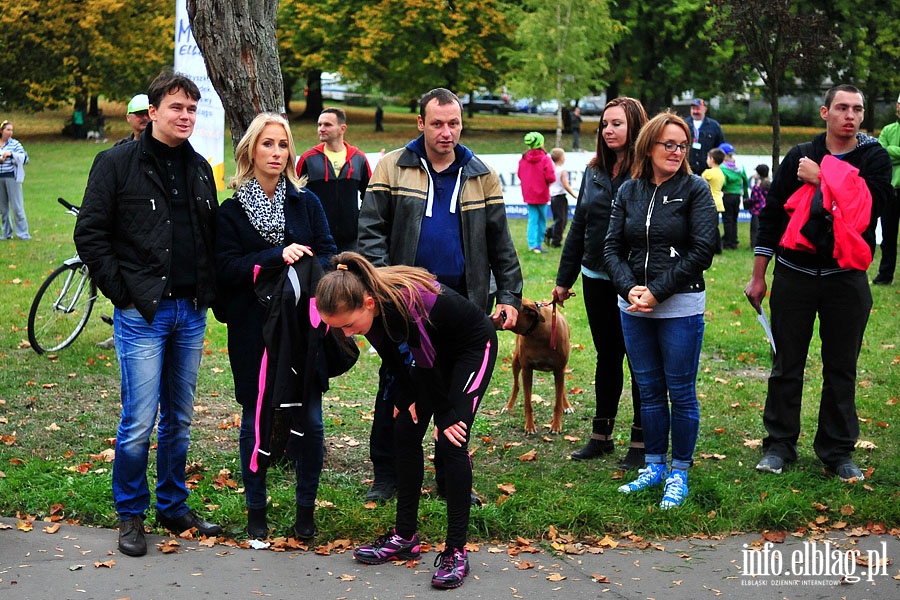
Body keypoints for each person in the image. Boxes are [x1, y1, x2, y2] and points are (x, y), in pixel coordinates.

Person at [73, 70, 222, 557]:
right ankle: (131, 515)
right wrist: (123, 294)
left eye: (192, 109)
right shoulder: (116, 163)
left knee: (178, 418)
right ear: (152, 111)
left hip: (190, 312)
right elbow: (91, 234)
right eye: (176, 107)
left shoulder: (200, 168)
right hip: (142, 313)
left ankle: (173, 505)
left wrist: (207, 291)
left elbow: (208, 238)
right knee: (139, 419)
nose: (185, 116)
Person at [357, 87, 522, 503]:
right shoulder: (392, 167)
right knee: (397, 383)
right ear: (421, 124)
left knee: (456, 390)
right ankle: (388, 474)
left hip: (462, 304)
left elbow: (500, 241)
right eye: (437, 124)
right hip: (404, 303)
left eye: (454, 124)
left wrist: (509, 295)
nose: (446, 132)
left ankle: (451, 478)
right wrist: (384, 283)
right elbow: (371, 233)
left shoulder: (481, 174)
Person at [316, 251, 498, 590]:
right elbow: (392, 356)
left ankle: (456, 550)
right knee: (404, 429)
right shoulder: (367, 307)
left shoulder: (406, 301)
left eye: (347, 325)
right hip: (433, 355)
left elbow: (427, 360)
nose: (346, 334)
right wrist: (406, 397)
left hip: (472, 347)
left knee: (451, 439)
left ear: (368, 303)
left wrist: (444, 414)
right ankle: (405, 536)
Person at [745, 84, 892, 482]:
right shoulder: (799, 156)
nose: (851, 115)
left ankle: (838, 451)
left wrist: (822, 176)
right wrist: (759, 276)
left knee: (841, 367)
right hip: (795, 274)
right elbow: (772, 216)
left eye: (857, 109)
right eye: (842, 107)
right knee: (786, 365)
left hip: (846, 277)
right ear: (825, 112)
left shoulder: (874, 159)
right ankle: (779, 445)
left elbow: (869, 208)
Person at [216, 113, 336, 540]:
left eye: (282, 145)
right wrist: (275, 256)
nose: (276, 152)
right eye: (267, 144)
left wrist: (306, 267)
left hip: (305, 331)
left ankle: (305, 513)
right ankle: (256, 514)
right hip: (254, 334)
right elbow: (225, 270)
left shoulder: (307, 202)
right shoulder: (231, 212)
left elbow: (328, 253)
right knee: (255, 422)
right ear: (251, 150)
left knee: (313, 421)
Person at [604, 111, 717, 509]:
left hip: (680, 305)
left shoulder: (696, 190)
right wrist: (629, 288)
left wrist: (656, 292)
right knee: (649, 391)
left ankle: (679, 471)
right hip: (632, 305)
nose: (676, 151)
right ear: (649, 146)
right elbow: (611, 248)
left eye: (682, 145)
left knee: (680, 392)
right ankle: (653, 466)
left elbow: (702, 250)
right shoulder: (628, 191)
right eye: (668, 144)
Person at [552, 97, 648, 469]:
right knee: (608, 357)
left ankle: (642, 440)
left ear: (635, 128)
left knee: (640, 361)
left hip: (635, 282)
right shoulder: (594, 171)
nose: (608, 130)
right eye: (604, 124)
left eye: (617, 124)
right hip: (595, 277)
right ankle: (601, 435)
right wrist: (565, 278)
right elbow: (579, 226)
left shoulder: (645, 173)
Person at [297, 107, 371, 253]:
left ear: (342, 128)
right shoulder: (308, 159)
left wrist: (359, 223)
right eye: (319, 125)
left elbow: (370, 197)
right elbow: (295, 196)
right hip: (317, 240)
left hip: (351, 241)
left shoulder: (359, 159)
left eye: (327, 125)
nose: (321, 129)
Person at [873, 93, 900, 285]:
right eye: (898, 104)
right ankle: (885, 276)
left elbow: (888, 150)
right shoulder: (888, 129)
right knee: (888, 237)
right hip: (891, 191)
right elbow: (881, 153)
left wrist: (892, 150)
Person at [518, 131, 556, 253]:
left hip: (528, 193)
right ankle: (538, 244)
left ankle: (532, 244)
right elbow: (551, 177)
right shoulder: (545, 159)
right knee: (541, 219)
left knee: (532, 219)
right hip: (542, 194)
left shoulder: (523, 159)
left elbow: (520, 174)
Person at [0, 120, 31, 240]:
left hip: (12, 177)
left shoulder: (15, 144)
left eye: (12, 130)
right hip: (0, 178)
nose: (10, 132)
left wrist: (11, 155)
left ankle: (23, 234)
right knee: (2, 208)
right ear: (2, 130)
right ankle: (6, 233)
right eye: (8, 130)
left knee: (17, 207)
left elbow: (25, 159)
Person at [718, 142, 748, 249]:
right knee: (734, 220)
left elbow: (723, 183)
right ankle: (734, 241)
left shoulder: (722, 168)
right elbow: (745, 181)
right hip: (737, 196)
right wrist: (745, 196)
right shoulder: (740, 167)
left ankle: (728, 243)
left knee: (727, 220)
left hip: (727, 195)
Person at [545, 147, 577, 248]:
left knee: (558, 218)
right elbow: (565, 185)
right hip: (560, 196)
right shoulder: (562, 171)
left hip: (553, 197)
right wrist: (575, 195)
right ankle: (555, 240)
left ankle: (550, 232)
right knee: (562, 220)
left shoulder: (551, 169)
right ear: (561, 158)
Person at [687, 98, 724, 177]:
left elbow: (720, 147)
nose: (695, 111)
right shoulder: (684, 124)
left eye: (698, 109)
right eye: (693, 109)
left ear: (705, 109)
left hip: (707, 171)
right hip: (687, 169)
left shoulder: (714, 126)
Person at [702, 147, 726, 254]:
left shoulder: (708, 173)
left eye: (708, 157)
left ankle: (711, 247)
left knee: (707, 226)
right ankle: (717, 247)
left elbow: (700, 185)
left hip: (708, 202)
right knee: (715, 226)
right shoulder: (721, 172)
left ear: (712, 159)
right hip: (718, 202)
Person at [746, 164, 769, 248]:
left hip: (756, 209)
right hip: (766, 209)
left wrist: (747, 201)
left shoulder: (757, 186)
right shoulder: (768, 183)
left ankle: (754, 244)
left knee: (755, 229)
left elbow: (755, 198)